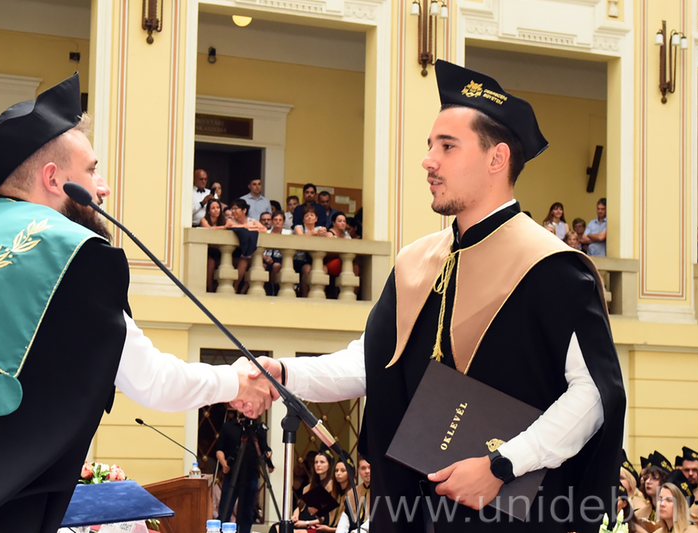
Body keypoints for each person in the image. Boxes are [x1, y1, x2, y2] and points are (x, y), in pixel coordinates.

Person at [240, 61, 625, 532]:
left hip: (510, 516)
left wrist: (501, 465)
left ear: (497, 158)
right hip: (413, 514)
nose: (428, 160)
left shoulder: (551, 267)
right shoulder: (417, 262)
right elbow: (374, 362)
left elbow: (593, 394)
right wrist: (286, 373)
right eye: (429, 146)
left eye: (447, 146)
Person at [0, 74, 273, 532]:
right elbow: (152, 381)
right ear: (54, 179)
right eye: (92, 171)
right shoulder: (71, 253)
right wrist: (237, 381)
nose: (103, 186)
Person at [215, 412, 273, 533]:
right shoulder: (228, 427)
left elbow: (265, 449)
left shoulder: (257, 429)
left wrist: (268, 461)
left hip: (251, 475)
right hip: (232, 474)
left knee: (247, 512)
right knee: (225, 509)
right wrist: (224, 464)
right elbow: (219, 449)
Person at [294, 204, 333, 297]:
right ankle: (305, 294)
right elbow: (300, 237)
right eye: (307, 216)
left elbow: (330, 236)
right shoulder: (298, 227)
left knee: (324, 269)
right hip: (301, 259)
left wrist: (326, 234)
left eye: (312, 215)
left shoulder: (320, 228)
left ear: (316, 219)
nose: (309, 217)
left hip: (315, 258)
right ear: (303, 219)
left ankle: (320, 294)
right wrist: (314, 233)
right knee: (307, 269)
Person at [200, 198, 227, 292]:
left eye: (218, 207)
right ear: (208, 211)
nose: (216, 210)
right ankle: (210, 288)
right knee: (211, 262)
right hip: (207, 251)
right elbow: (209, 229)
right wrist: (224, 227)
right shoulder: (204, 220)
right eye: (213, 208)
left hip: (220, 250)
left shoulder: (224, 220)